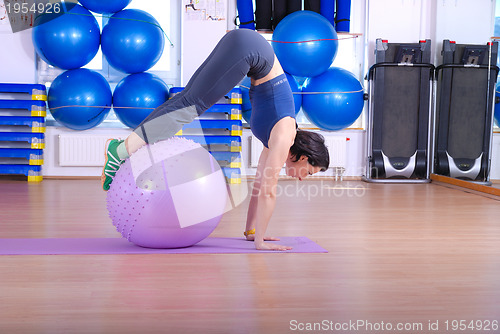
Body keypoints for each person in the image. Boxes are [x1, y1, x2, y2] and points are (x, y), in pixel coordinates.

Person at [101, 29, 330, 251]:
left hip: (247, 44)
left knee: (186, 101)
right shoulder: (283, 137)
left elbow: (260, 187)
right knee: (190, 106)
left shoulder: (276, 139)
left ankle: (122, 149)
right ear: (303, 156)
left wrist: (252, 233)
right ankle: (120, 151)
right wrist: (261, 243)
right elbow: (270, 192)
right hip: (250, 50)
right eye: (308, 172)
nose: (302, 179)